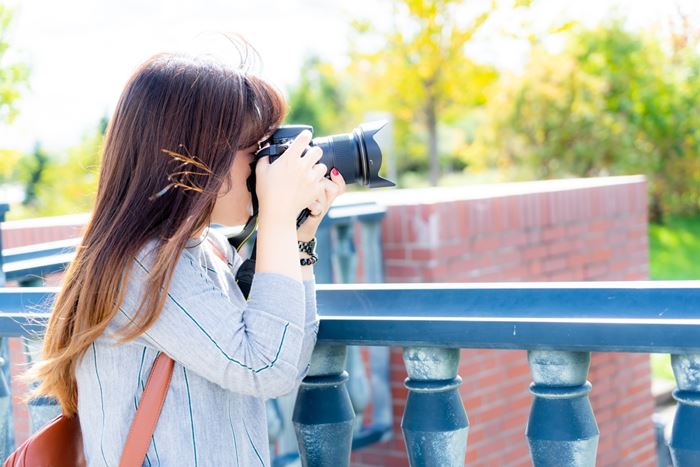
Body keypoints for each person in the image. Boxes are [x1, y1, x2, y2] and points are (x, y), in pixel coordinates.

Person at [25, 51, 346, 466]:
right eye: (255, 150)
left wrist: (298, 238)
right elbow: (267, 369)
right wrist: (279, 218)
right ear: (197, 155)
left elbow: (286, 355)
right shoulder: (143, 265)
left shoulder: (203, 251)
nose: (265, 167)